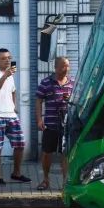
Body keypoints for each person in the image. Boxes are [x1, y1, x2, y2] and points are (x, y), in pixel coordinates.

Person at [0, 48, 31, 184]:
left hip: (11, 116)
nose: (7, 60)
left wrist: (14, 106)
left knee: (20, 144)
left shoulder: (10, 75)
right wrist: (5, 76)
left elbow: (13, 91)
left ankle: (16, 173)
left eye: (9, 58)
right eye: (4, 58)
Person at [35, 56, 74, 191]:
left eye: (68, 66)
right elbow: (38, 101)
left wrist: (70, 99)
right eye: (64, 66)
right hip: (50, 124)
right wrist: (39, 119)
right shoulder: (46, 82)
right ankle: (45, 180)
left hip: (67, 125)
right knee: (47, 152)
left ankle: (65, 182)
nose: (67, 69)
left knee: (65, 153)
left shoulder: (72, 83)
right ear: (56, 67)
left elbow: (78, 101)